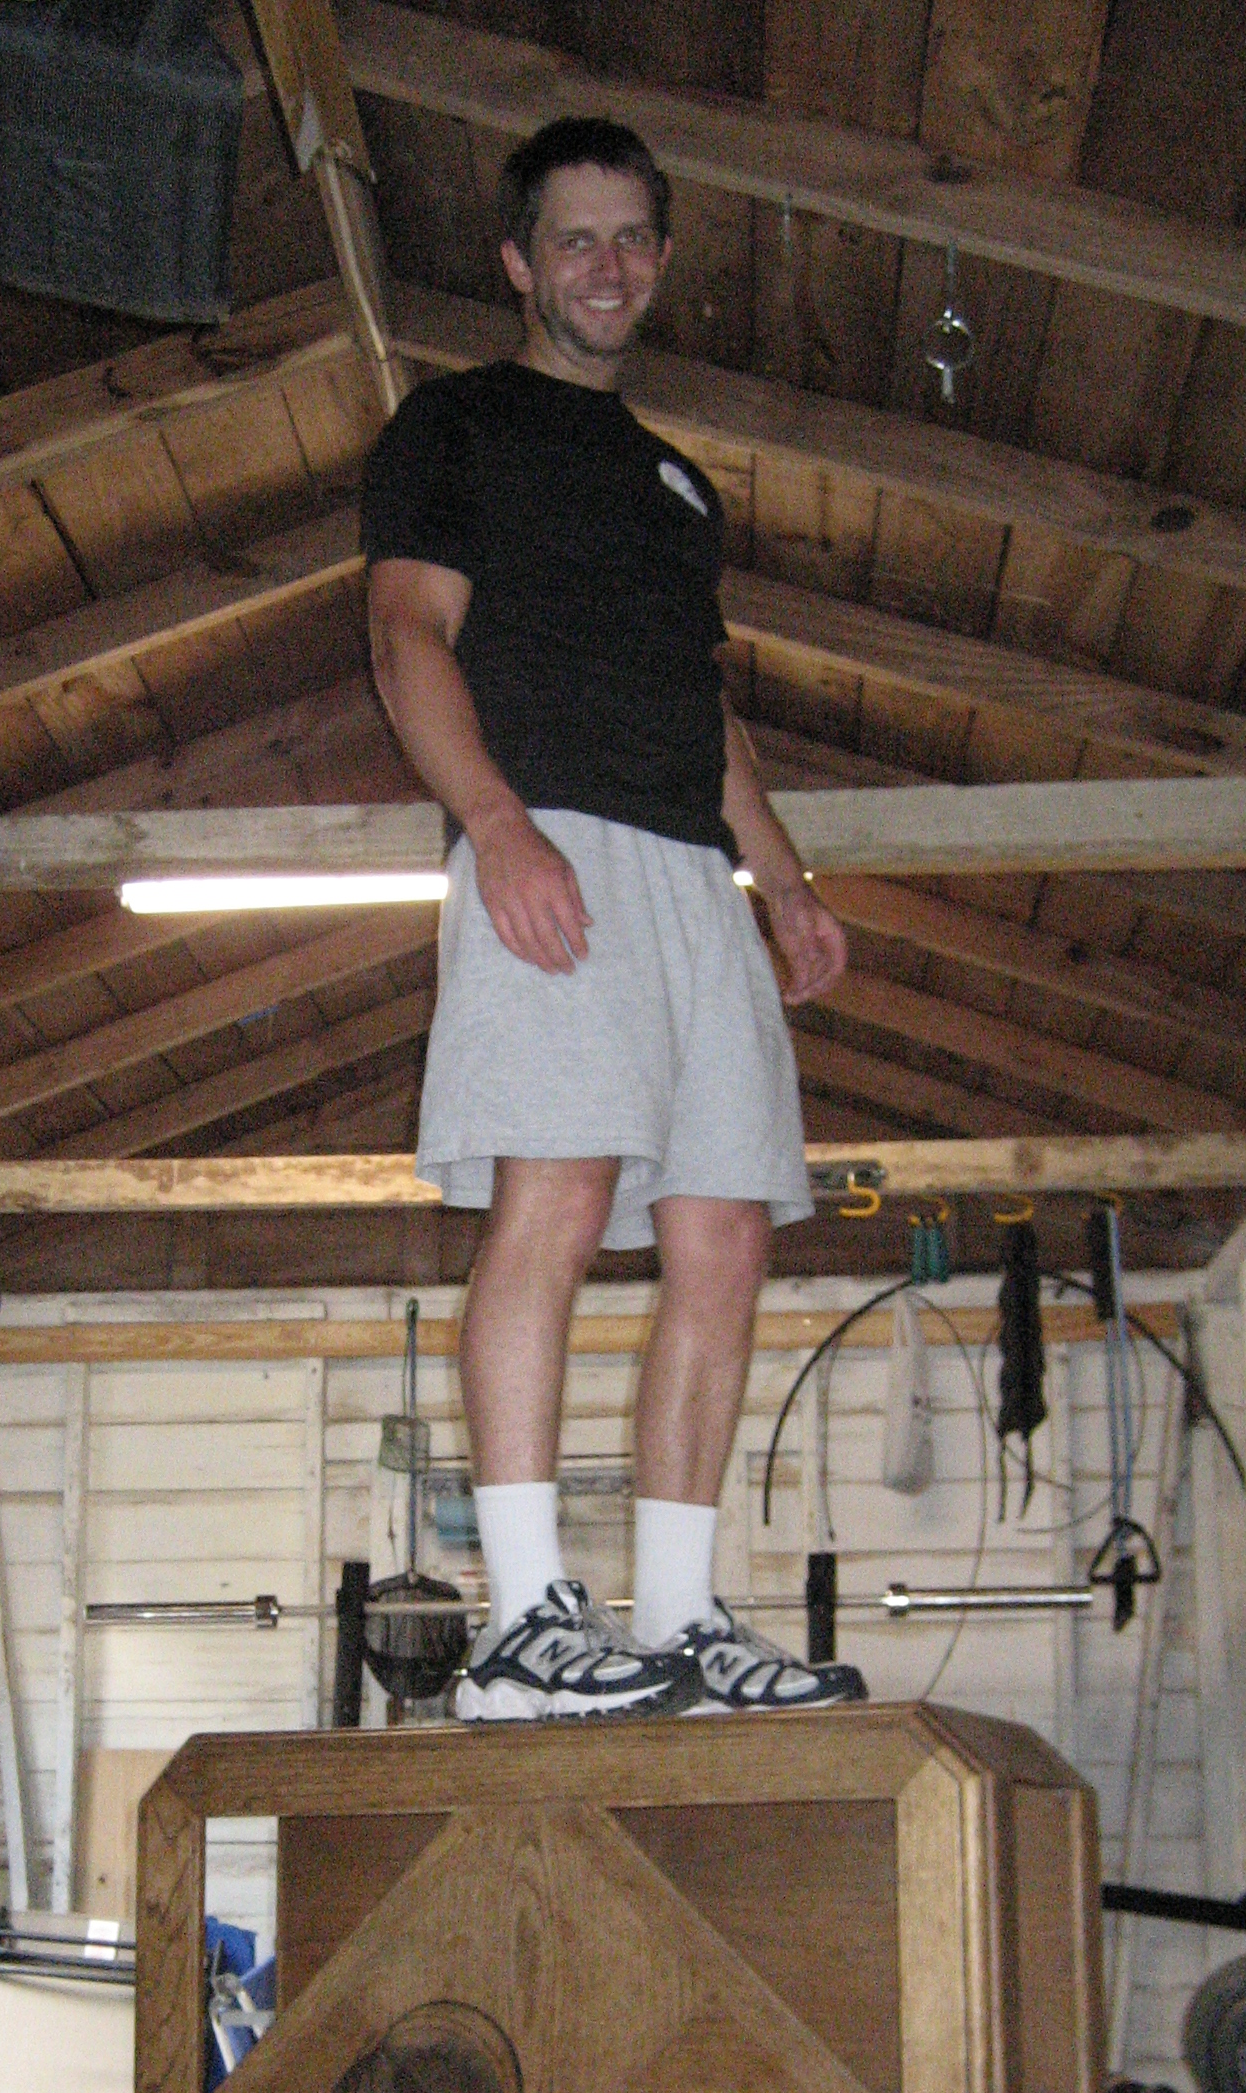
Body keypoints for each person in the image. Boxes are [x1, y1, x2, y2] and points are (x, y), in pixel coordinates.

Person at [361, 115, 864, 1721]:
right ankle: (522, 1625)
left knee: (725, 1229)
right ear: (520, 263)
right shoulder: (453, 426)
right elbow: (406, 636)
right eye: (574, 239)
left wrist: (781, 880)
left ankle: (684, 1621)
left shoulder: (677, 486)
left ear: (657, 257)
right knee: (560, 1193)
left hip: (686, 871)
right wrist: (498, 826)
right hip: (549, 835)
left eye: (632, 238)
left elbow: (699, 703)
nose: (607, 266)